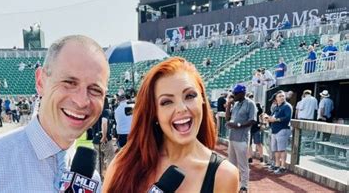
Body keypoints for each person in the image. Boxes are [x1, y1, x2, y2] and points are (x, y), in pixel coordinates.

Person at [0, 35, 109, 192]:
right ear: (40, 81)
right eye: (69, 82)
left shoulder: (89, 178)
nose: (81, 101)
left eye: (95, 90)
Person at [103, 57, 238, 193]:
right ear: (154, 112)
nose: (181, 108)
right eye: (166, 102)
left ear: (202, 99)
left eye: (190, 96)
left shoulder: (224, 175)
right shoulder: (123, 164)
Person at [225, 84, 257, 193]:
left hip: (242, 138)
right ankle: (232, 184)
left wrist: (238, 125)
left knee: (243, 165)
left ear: (242, 93)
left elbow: (252, 121)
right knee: (231, 164)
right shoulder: (236, 104)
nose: (234, 96)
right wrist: (229, 105)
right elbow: (227, 118)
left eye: (235, 94)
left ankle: (244, 187)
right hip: (232, 137)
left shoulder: (250, 104)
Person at [264, 91, 292, 174]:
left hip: (282, 129)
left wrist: (275, 120)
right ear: (276, 98)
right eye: (280, 96)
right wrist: (267, 118)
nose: (282, 97)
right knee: (275, 149)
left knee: (282, 149)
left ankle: (283, 167)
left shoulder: (287, 106)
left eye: (283, 96)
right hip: (274, 130)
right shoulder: (276, 107)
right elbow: (272, 116)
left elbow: (287, 118)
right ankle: (276, 165)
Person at [92, 98, 115, 178]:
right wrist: (104, 136)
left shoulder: (95, 111)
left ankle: (98, 179)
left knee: (98, 161)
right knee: (110, 158)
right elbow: (104, 122)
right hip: (104, 139)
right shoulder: (106, 111)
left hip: (95, 139)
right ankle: (110, 178)